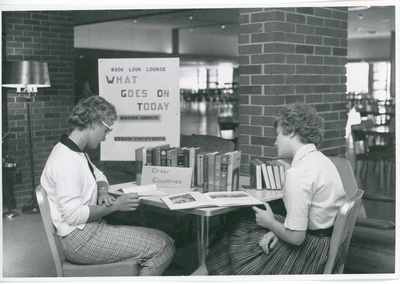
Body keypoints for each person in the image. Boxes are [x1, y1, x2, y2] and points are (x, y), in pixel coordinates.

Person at [203, 103, 346, 275]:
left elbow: (296, 238)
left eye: (278, 134)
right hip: (324, 244)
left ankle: (205, 274)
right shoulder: (322, 160)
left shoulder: (298, 174)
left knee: (237, 230)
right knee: (238, 230)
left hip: (311, 254)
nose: (275, 141)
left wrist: (271, 223)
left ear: (291, 131)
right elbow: (312, 218)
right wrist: (277, 231)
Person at [40, 95, 175, 276]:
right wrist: (116, 206)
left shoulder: (75, 151)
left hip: (85, 230)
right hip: (80, 240)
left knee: (156, 232)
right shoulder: (66, 161)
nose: (105, 137)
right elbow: (73, 215)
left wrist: (103, 191)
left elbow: (98, 174)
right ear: (95, 123)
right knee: (163, 245)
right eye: (107, 130)